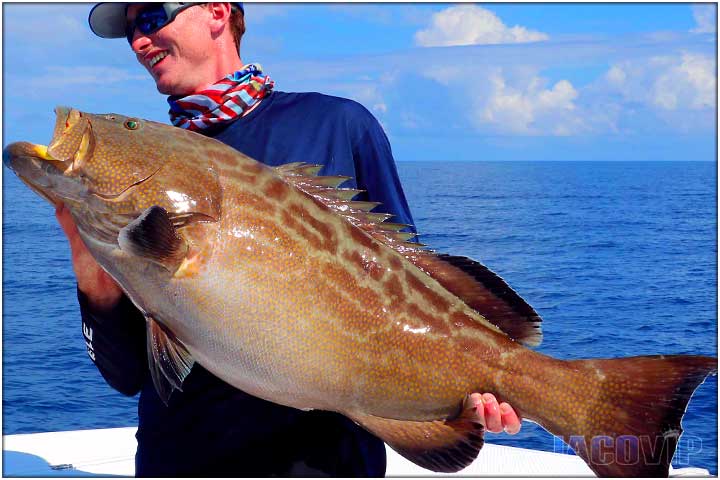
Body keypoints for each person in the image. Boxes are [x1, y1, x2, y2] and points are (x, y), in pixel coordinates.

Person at [55, 2, 522, 476]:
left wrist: (488, 378)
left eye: (153, 18)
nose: (138, 41)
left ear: (217, 12)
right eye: (130, 31)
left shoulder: (338, 125)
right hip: (177, 459)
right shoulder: (137, 186)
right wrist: (86, 258)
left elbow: (415, 288)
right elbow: (129, 374)